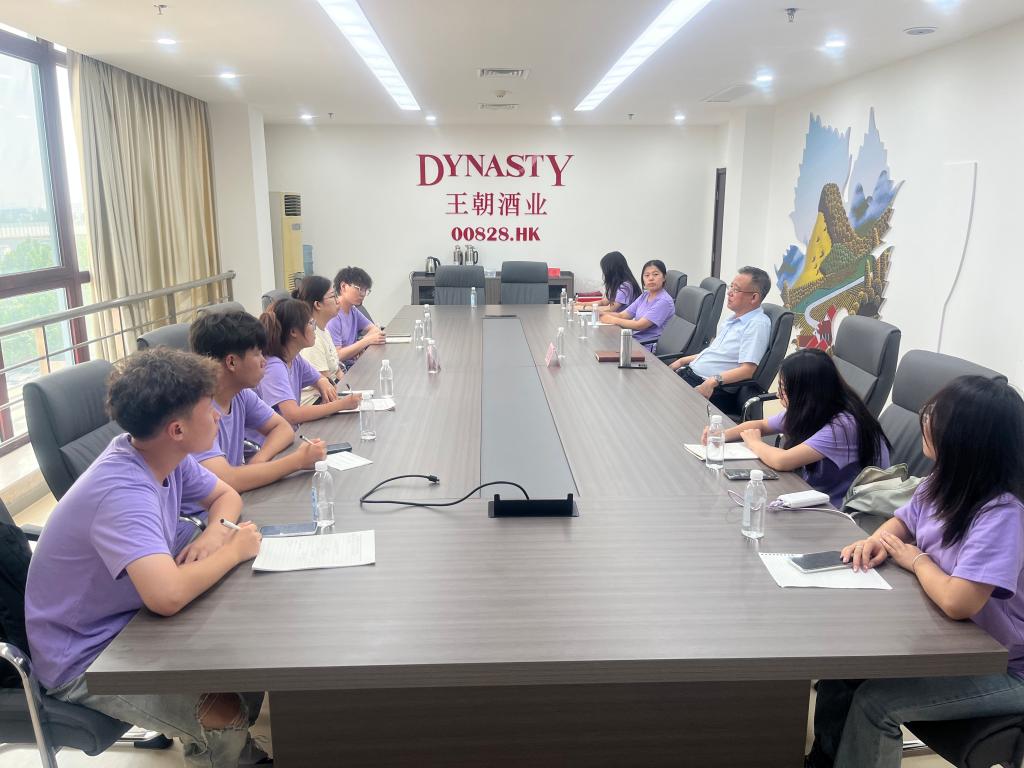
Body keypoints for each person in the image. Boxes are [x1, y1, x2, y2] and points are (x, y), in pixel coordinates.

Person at [24, 348, 270, 766]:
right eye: (207, 409)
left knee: (248, 657)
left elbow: (225, 495)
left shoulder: (161, 455)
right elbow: (166, 596)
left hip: (129, 619)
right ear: (177, 429)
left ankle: (234, 753)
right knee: (222, 713)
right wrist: (234, 550)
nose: (218, 415)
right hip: (85, 656)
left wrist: (215, 534)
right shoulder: (122, 492)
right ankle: (227, 748)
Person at [807, 375, 1024, 768]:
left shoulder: (1001, 514)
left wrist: (916, 560)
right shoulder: (944, 481)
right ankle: (825, 758)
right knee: (843, 665)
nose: (925, 420)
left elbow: (958, 601)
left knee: (876, 705)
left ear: (967, 440)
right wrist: (877, 541)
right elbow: (904, 521)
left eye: (936, 417)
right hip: (947, 639)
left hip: (1005, 667)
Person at [187, 311, 327, 535]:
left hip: (236, 504)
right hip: (201, 524)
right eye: (257, 354)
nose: (264, 361)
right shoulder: (197, 411)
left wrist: (259, 460)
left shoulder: (240, 394)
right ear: (232, 362)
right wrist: (297, 461)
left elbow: (282, 428)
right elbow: (227, 479)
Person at [706, 348, 890, 507]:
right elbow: (761, 425)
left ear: (806, 393)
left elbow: (782, 461)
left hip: (842, 511)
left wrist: (754, 443)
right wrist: (720, 434)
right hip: (813, 494)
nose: (778, 395)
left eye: (784, 389)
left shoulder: (843, 426)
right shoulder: (817, 408)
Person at [670, 266, 771, 409]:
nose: (729, 292)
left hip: (714, 390)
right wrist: (681, 361)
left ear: (754, 297)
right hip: (691, 374)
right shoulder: (733, 319)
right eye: (731, 287)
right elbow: (716, 353)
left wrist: (712, 381)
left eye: (736, 289)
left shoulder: (756, 324)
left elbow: (748, 370)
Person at [258, 298, 361, 426]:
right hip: (276, 437)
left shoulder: (294, 358)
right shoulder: (274, 367)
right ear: (293, 332)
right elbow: (292, 415)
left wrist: (323, 382)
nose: (314, 328)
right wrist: (342, 404)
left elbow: (319, 378)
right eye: (310, 323)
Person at [597, 259, 675, 351]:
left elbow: (639, 325)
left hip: (647, 347)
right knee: (601, 343)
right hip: (635, 341)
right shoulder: (645, 295)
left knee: (603, 347)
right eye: (647, 275)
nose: (650, 278)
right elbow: (623, 315)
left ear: (664, 277)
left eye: (655, 274)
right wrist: (600, 313)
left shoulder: (664, 301)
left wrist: (612, 320)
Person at [292, 275, 346, 406]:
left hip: (331, 397)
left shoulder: (324, 330)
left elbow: (337, 371)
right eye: (333, 296)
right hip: (316, 403)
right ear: (318, 305)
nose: (338, 300)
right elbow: (327, 387)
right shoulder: (312, 340)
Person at [326, 266, 385, 367]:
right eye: (359, 289)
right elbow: (337, 356)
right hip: (342, 369)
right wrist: (365, 342)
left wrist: (359, 346)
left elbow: (375, 330)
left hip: (353, 364)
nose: (363, 294)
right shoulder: (333, 315)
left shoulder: (353, 310)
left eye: (365, 290)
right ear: (343, 286)